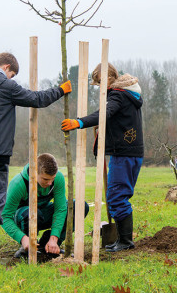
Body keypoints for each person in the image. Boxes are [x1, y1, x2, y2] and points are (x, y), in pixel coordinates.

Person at [0, 53, 72, 264]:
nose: (10, 79)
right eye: (11, 75)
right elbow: (36, 99)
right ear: (7, 67)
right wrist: (61, 90)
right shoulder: (5, 86)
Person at [61, 63, 143, 253]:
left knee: (116, 196)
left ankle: (126, 241)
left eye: (99, 83)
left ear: (107, 79)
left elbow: (104, 113)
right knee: (118, 195)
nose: (98, 87)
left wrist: (79, 122)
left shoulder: (118, 95)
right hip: (130, 152)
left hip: (124, 154)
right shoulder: (128, 94)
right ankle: (123, 239)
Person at [1, 153, 89, 258]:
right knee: (32, 213)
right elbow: (4, 216)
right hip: (23, 216)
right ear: (34, 172)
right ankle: (27, 247)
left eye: (52, 179)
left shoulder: (57, 179)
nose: (50, 183)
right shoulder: (18, 184)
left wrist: (54, 237)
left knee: (80, 206)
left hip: (44, 213)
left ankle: (49, 246)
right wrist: (23, 238)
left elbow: (60, 209)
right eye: (45, 179)